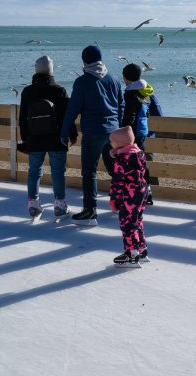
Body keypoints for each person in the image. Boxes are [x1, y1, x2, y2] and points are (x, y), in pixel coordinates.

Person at [59, 45, 124, 227]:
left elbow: (73, 110)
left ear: (84, 61)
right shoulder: (114, 79)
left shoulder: (82, 82)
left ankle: (90, 211)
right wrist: (117, 126)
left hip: (93, 132)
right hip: (113, 131)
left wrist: (64, 132)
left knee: (89, 172)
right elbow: (121, 106)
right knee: (115, 169)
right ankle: (120, 203)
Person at [18, 55, 77, 219]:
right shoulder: (59, 90)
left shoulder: (27, 91)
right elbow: (67, 116)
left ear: (36, 69)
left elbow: (22, 118)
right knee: (58, 171)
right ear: (52, 70)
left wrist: (25, 139)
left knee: (34, 171)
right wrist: (72, 135)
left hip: (34, 138)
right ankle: (60, 204)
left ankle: (33, 203)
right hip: (56, 139)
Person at [107, 126, 149, 267]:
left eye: (112, 141)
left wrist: (114, 199)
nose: (110, 144)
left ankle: (131, 254)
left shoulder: (122, 160)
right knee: (137, 221)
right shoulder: (139, 154)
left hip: (129, 196)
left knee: (127, 223)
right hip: (141, 192)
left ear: (120, 143)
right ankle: (141, 249)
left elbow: (117, 182)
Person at [120, 63, 161, 206]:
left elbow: (130, 116)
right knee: (142, 163)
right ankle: (147, 192)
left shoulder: (130, 94)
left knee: (131, 165)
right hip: (143, 132)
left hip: (133, 134)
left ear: (126, 78)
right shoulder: (146, 92)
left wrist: (123, 132)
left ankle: (135, 194)